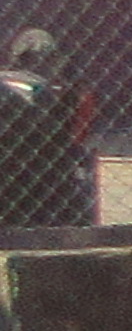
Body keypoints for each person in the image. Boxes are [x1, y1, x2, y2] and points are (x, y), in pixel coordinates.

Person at [0, 29, 94, 229]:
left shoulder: (10, 82)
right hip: (45, 180)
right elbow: (76, 137)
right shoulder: (61, 90)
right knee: (78, 162)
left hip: (20, 171)